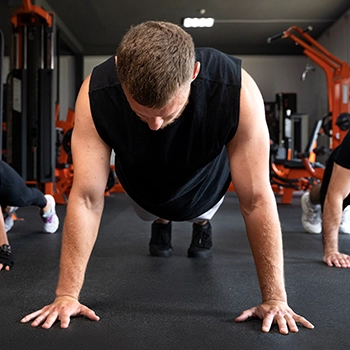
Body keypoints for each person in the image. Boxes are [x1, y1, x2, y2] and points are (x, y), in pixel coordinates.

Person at [20, 21, 314, 334]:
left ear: (194, 73)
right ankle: (161, 223)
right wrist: (66, 294)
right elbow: (87, 198)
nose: (156, 126)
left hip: (204, 185)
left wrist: (275, 298)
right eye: (143, 114)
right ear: (121, 77)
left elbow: (256, 199)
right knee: (154, 213)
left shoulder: (237, 90)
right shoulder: (97, 93)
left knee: (200, 212)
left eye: (167, 113)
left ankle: (201, 224)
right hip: (142, 185)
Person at [301, 130, 350, 267]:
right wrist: (331, 251)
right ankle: (310, 201)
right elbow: (336, 194)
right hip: (344, 169)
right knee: (333, 194)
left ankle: (343, 210)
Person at [0, 160, 60, 271]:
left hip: (4, 180)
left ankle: (47, 204)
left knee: (22, 197)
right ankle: (7, 208)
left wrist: (3, 249)